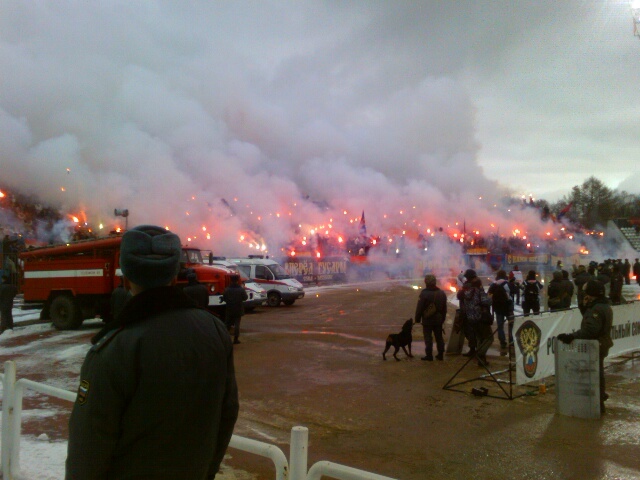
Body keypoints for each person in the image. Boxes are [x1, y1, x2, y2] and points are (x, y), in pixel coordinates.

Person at [66, 225, 239, 479]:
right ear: (174, 276)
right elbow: (227, 413)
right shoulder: (215, 331)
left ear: (125, 278)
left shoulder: (113, 350)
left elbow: (88, 450)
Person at [557, 280, 613, 413]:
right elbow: (589, 319)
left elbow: (590, 330)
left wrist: (572, 336)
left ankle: (598, 403)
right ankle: (599, 399)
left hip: (596, 346)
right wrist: (584, 305)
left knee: (595, 374)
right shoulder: (601, 305)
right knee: (598, 373)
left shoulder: (597, 309)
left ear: (592, 293)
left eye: (587, 293)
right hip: (600, 344)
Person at [457, 269, 492, 366]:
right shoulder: (477, 289)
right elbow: (486, 302)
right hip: (480, 317)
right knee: (489, 338)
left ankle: (482, 361)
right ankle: (480, 354)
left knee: (479, 338)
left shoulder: (465, 290)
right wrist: (490, 297)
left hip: (470, 317)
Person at [414, 274, 447, 361]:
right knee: (439, 337)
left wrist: (417, 319)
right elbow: (444, 308)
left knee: (428, 338)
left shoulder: (424, 294)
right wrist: (442, 318)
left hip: (427, 319)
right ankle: (440, 354)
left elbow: (419, 308)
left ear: (426, 282)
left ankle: (429, 355)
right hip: (439, 319)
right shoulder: (441, 293)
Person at [487, 270, 513, 355]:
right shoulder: (507, 284)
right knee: (511, 324)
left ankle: (502, 342)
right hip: (508, 307)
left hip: (498, 307)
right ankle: (511, 340)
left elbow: (489, 295)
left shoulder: (494, 285)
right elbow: (513, 292)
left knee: (500, 325)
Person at [222, 274, 248, 345]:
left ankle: (225, 339)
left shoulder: (227, 289)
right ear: (237, 280)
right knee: (237, 325)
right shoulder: (241, 290)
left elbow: (224, 298)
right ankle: (236, 339)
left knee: (227, 324)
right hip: (238, 309)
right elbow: (245, 298)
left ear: (231, 280)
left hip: (229, 309)